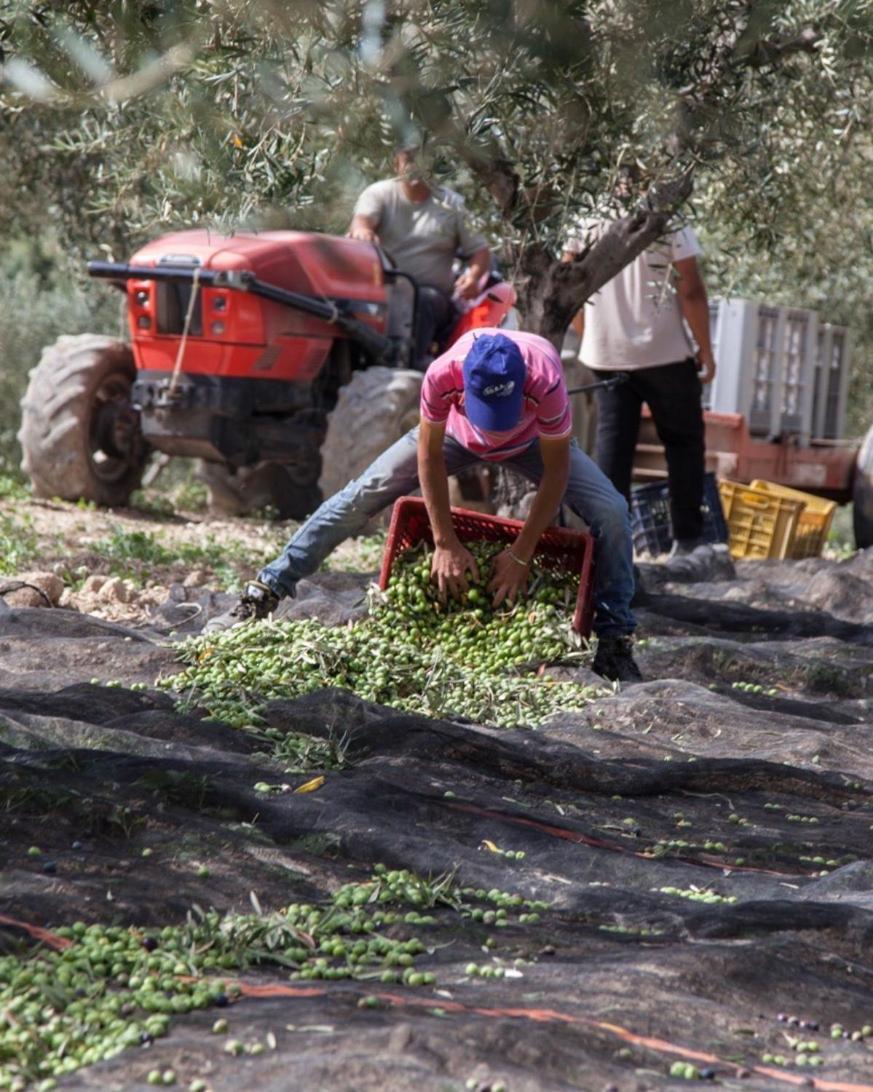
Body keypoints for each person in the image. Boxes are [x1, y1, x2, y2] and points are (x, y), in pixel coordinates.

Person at [207, 330, 642, 683]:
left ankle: (615, 641)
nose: (494, 432)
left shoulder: (545, 378)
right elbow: (429, 456)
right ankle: (264, 592)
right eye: (486, 412)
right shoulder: (442, 374)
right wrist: (444, 541)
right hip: (453, 437)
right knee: (361, 494)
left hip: (531, 443)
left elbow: (556, 472)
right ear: (465, 390)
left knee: (612, 512)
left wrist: (521, 553)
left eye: (503, 411)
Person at [562, 200, 716, 566]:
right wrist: (705, 350)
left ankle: (611, 548)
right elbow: (690, 288)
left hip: (605, 354)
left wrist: (590, 336)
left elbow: (566, 285)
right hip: (664, 352)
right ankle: (688, 542)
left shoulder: (585, 215)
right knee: (684, 444)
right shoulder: (666, 213)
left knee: (613, 451)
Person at [349, 144, 492, 367]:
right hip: (381, 290)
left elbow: (480, 251)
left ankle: (409, 365)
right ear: (397, 164)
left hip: (431, 297)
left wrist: (473, 277)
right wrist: (363, 231)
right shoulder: (379, 194)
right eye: (410, 160)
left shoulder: (452, 204)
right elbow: (362, 222)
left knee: (423, 299)